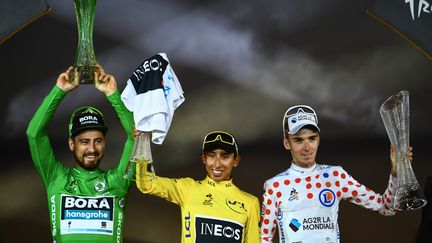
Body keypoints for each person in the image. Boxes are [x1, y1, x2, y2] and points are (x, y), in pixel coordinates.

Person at [260, 105, 413, 243]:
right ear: (287, 143)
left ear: (318, 139)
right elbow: (264, 238)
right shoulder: (275, 185)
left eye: (312, 138)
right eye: (298, 140)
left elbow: (386, 207)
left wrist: (395, 172)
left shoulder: (335, 176)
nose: (307, 147)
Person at [26, 65, 135, 242]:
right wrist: (59, 91)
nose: (92, 149)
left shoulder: (118, 181)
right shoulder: (56, 178)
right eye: (84, 142)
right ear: (71, 144)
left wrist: (113, 94)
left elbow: (136, 138)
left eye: (97, 141)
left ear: (104, 143)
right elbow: (34, 134)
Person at [135, 130, 260, 242]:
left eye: (225, 156)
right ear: (204, 158)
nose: (217, 164)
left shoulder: (250, 203)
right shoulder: (188, 188)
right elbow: (146, 183)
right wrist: (142, 140)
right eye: (211, 156)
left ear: (236, 160)